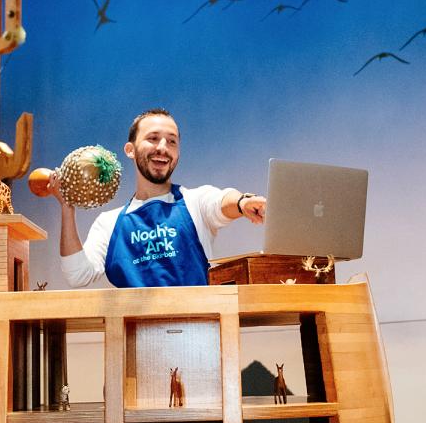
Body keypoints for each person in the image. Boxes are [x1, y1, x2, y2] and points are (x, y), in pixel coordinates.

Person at [50, 108, 267, 288]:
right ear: (130, 150)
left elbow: (222, 201)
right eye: (153, 138)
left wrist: (242, 202)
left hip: (200, 335)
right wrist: (67, 209)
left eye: (171, 142)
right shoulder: (108, 223)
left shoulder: (195, 202)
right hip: (135, 338)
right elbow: (77, 275)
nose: (162, 148)